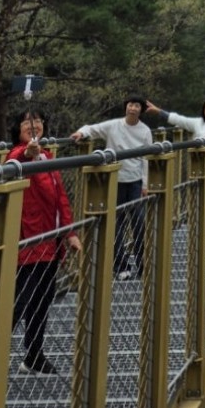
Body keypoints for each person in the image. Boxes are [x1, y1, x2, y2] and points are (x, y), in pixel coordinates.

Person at [8, 108, 81, 377]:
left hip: (50, 241)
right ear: (18, 129)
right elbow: (14, 162)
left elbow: (61, 198)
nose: (33, 125)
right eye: (27, 122)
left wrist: (70, 232)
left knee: (42, 299)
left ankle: (34, 355)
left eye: (37, 120)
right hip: (27, 240)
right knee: (21, 300)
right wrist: (27, 152)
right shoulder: (17, 155)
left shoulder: (48, 157)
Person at [70, 95, 153, 280]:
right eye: (130, 105)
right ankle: (121, 266)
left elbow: (147, 158)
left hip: (135, 181)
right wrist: (81, 133)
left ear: (141, 110)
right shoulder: (114, 125)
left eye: (137, 106)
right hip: (115, 179)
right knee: (116, 224)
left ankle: (142, 264)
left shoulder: (145, 131)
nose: (133, 108)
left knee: (139, 222)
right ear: (126, 107)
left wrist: (146, 184)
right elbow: (93, 128)